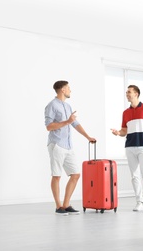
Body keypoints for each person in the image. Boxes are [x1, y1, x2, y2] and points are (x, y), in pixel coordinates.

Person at [45, 80, 96, 216]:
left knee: (75, 174)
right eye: (68, 88)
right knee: (56, 176)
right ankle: (58, 206)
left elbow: (75, 124)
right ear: (62, 89)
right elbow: (49, 126)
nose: (70, 90)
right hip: (56, 144)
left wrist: (88, 137)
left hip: (68, 146)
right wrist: (67, 121)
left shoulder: (67, 106)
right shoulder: (51, 105)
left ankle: (66, 205)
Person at [111, 85, 143, 213]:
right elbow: (124, 131)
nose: (127, 94)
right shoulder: (125, 113)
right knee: (134, 176)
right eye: (126, 92)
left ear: (136, 94)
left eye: (129, 92)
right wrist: (118, 132)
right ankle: (140, 202)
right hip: (130, 146)